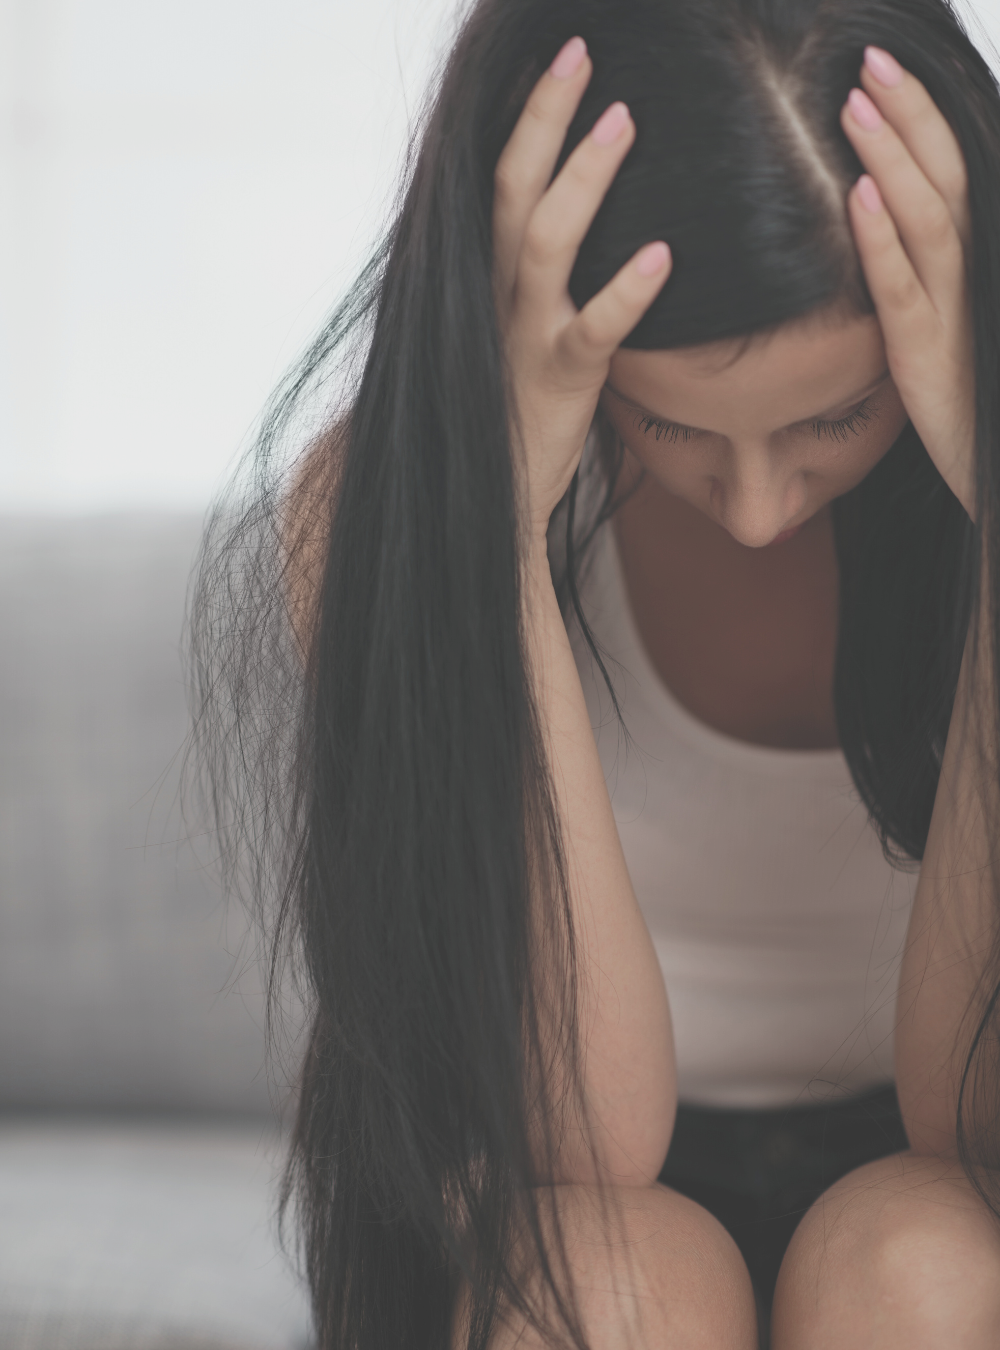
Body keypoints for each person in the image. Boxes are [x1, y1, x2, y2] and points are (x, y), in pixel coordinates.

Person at [188, 0, 1000, 1346]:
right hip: (564, 1189)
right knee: (609, 1282)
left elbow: (968, 1112)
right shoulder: (365, 508)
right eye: (672, 421)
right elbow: (586, 1129)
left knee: (912, 1270)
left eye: (836, 416)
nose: (755, 508)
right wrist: (491, 533)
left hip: (958, 1196)